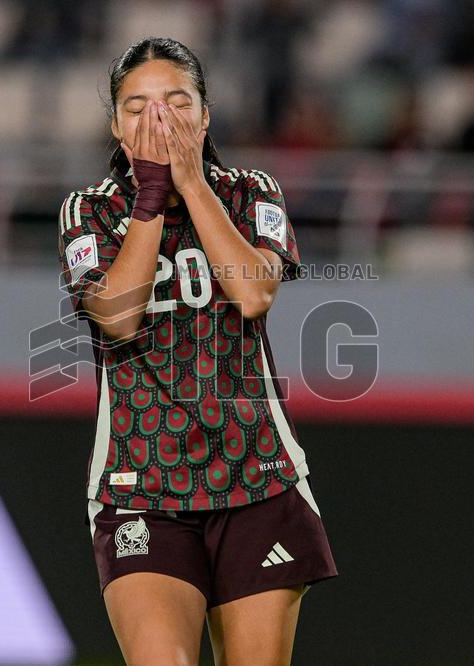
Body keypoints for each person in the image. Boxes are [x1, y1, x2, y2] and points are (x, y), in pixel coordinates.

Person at [56, 37, 337, 665]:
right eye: (137, 107)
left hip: (257, 476)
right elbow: (118, 316)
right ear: (115, 126)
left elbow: (254, 292)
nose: (158, 119)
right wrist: (151, 197)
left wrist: (190, 182)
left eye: (177, 103)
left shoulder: (250, 191)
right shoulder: (91, 210)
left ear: (206, 116)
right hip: (140, 484)